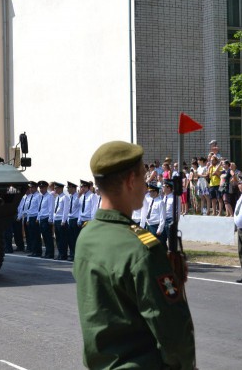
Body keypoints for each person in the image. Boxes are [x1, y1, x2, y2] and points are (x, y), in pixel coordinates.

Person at [73, 141, 196, 369]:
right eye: (143, 178)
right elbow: (172, 329)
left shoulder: (86, 236)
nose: (146, 185)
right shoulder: (142, 248)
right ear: (131, 181)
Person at [37, 180, 55, 259]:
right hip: (41, 218)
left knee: (48, 237)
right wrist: (38, 218)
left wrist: (50, 219)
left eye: (43, 188)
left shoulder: (49, 196)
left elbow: (51, 208)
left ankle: (50, 253)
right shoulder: (40, 196)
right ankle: (47, 253)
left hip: (47, 218)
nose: (41, 189)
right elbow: (39, 209)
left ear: (46, 187)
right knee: (44, 237)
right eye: (40, 188)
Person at [64, 181, 80, 261]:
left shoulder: (78, 197)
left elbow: (77, 207)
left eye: (69, 188)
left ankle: (76, 255)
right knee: (70, 239)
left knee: (75, 238)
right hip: (70, 219)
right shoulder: (69, 197)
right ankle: (71, 253)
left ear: (73, 188)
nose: (68, 189)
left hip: (75, 219)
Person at [24, 181, 41, 257]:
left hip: (35, 217)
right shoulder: (31, 196)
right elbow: (29, 209)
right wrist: (27, 219)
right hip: (30, 217)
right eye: (30, 187)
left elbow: (39, 209)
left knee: (36, 236)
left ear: (35, 187)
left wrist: (38, 218)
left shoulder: (38, 196)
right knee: (31, 236)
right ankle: (33, 251)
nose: (30, 189)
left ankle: (38, 251)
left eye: (32, 187)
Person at [52, 182, 68, 260]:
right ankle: (59, 254)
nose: (55, 189)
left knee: (63, 239)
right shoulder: (57, 197)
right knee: (58, 238)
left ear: (61, 188)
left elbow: (65, 210)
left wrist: (63, 220)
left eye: (56, 188)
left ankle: (63, 254)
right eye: (54, 188)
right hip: (56, 219)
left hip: (61, 220)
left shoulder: (65, 197)